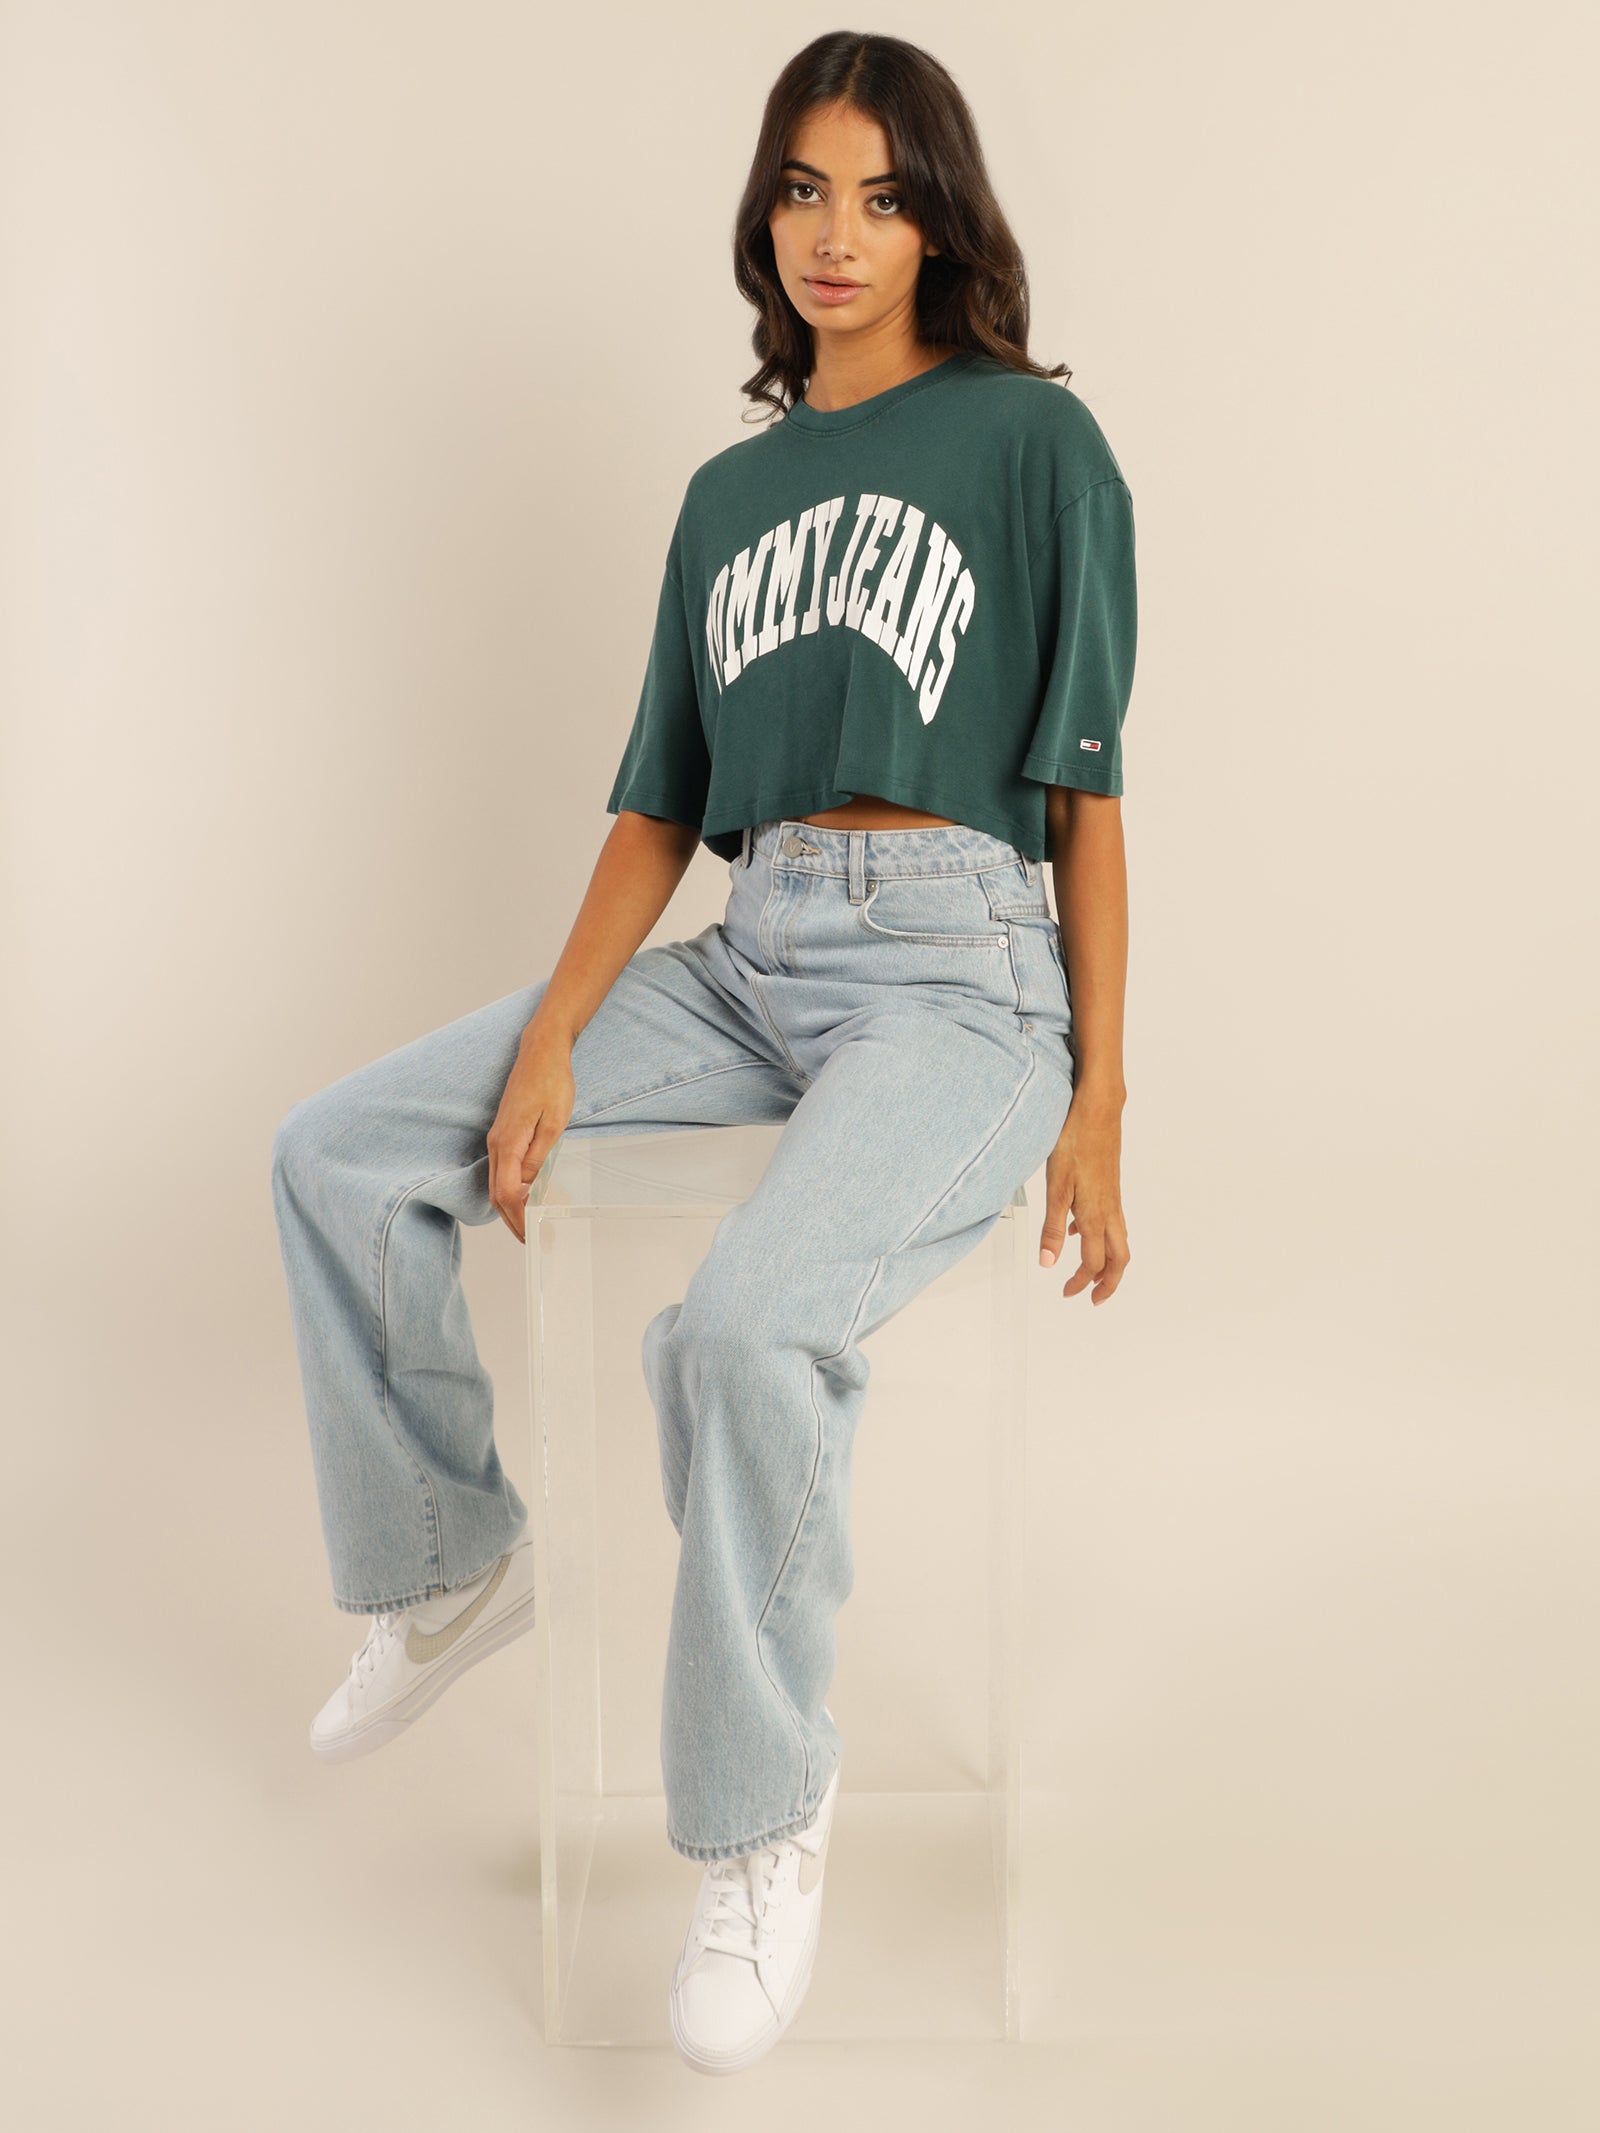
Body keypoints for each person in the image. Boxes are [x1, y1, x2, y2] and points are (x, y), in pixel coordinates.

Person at [270, 30, 1135, 2077]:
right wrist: (556, 1031)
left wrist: (1100, 1096)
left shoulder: (1033, 443)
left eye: (882, 197)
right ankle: (447, 1558)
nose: (837, 235)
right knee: (336, 1149)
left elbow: (1089, 795)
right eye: (804, 191)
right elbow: (661, 803)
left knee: (743, 1330)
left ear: (940, 222)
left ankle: (758, 1820)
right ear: (764, 216)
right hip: (750, 957)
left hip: (961, 975)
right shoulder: (726, 496)